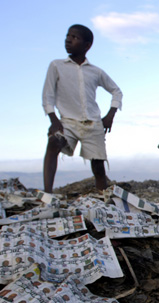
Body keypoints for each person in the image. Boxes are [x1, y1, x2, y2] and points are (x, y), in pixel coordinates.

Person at [42, 24, 123, 193]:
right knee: (54, 142)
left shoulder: (95, 71)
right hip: (68, 122)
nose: (68, 40)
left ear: (87, 45)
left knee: (98, 166)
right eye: (68, 36)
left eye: (74, 37)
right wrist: (54, 120)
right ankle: (47, 193)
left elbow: (116, 91)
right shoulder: (57, 66)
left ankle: (103, 199)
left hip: (93, 124)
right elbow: (48, 95)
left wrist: (110, 115)